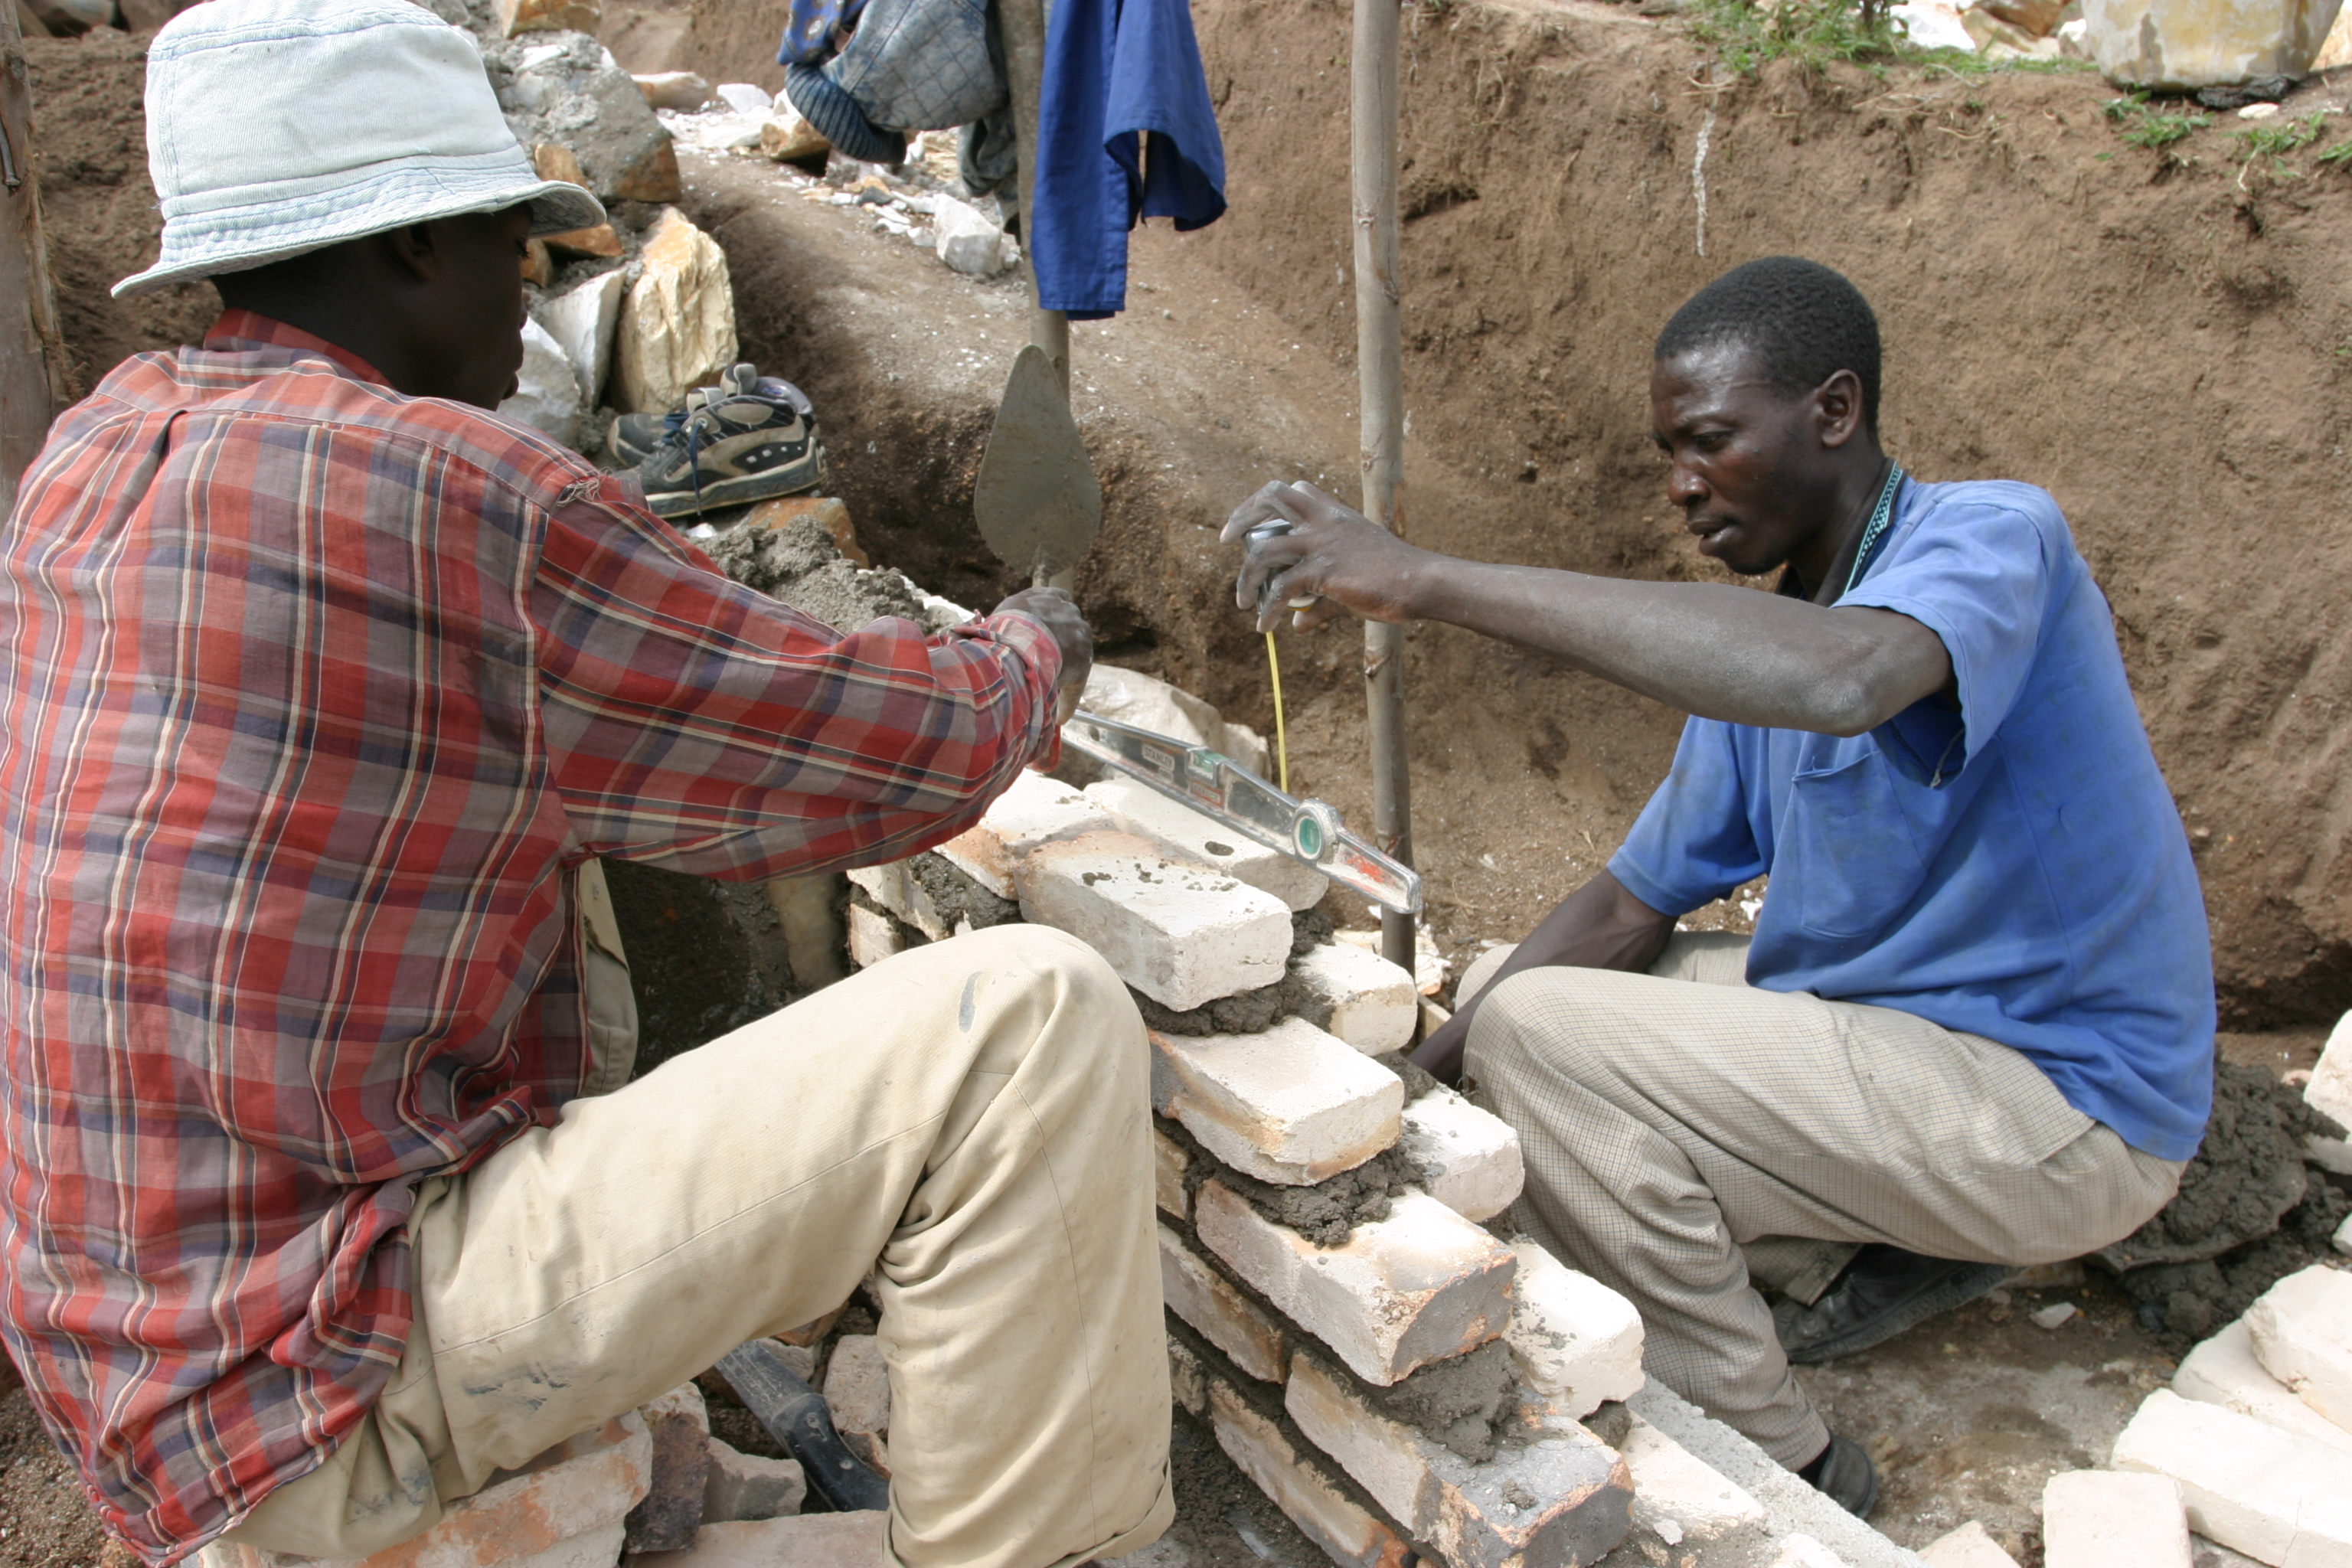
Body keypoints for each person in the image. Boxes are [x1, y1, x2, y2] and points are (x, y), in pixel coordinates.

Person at [0, 2, 1173, 1565]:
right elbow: (869, 761)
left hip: (135, 1353)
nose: (537, 281)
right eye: (514, 239)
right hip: (310, 1383)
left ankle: (598, 1441)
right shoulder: (447, 495)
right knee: (1032, 1023)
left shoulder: (96, 446)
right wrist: (1027, 658)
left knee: (536, 852)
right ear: (416, 251)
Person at [1224, 256, 2211, 1517]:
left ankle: (1786, 1457)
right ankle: (1844, 1256)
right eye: (1667, 456)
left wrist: (1424, 580)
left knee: (1548, 1037)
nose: (1683, 488)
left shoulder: (1992, 539)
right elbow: (1628, 908)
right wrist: (1409, 1106)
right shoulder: (1775, 646)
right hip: (1917, 1060)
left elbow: (1846, 682)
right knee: (1509, 995)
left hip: (2066, 1113)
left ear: (1835, 413)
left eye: (1709, 443)